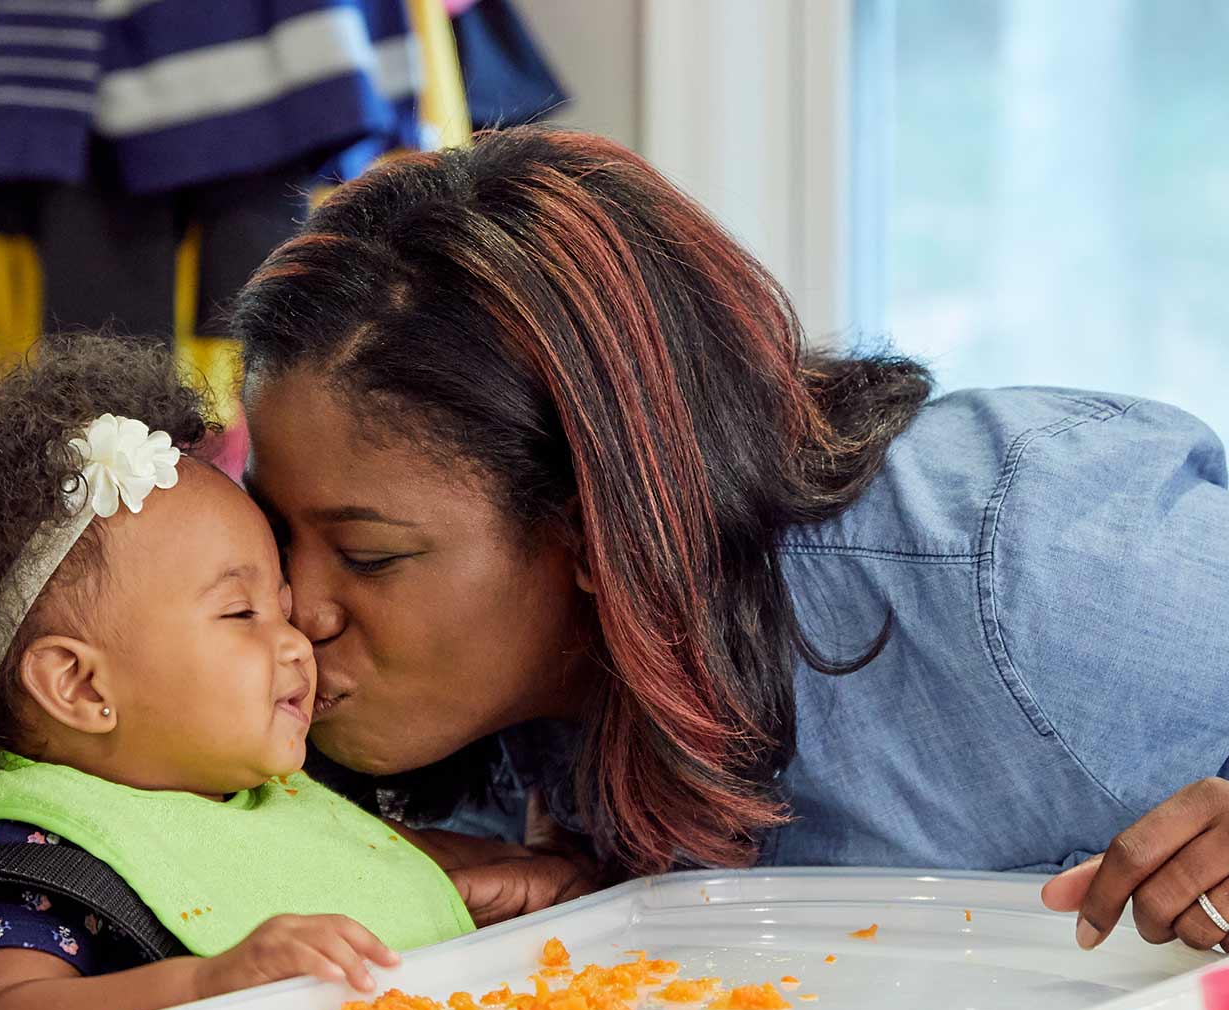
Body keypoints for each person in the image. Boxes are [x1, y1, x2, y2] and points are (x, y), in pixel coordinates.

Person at [231, 127, 1229, 952]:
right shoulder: (356, 721)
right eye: (279, 535)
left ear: (593, 519)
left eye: (370, 557)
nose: (297, 610)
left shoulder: (1028, 553)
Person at [0, 337, 553, 1010]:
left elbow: (344, 896)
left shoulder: (260, 799)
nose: (298, 638)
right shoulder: (50, 854)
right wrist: (211, 981)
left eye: (280, 607)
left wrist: (475, 893)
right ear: (79, 686)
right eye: (242, 612)